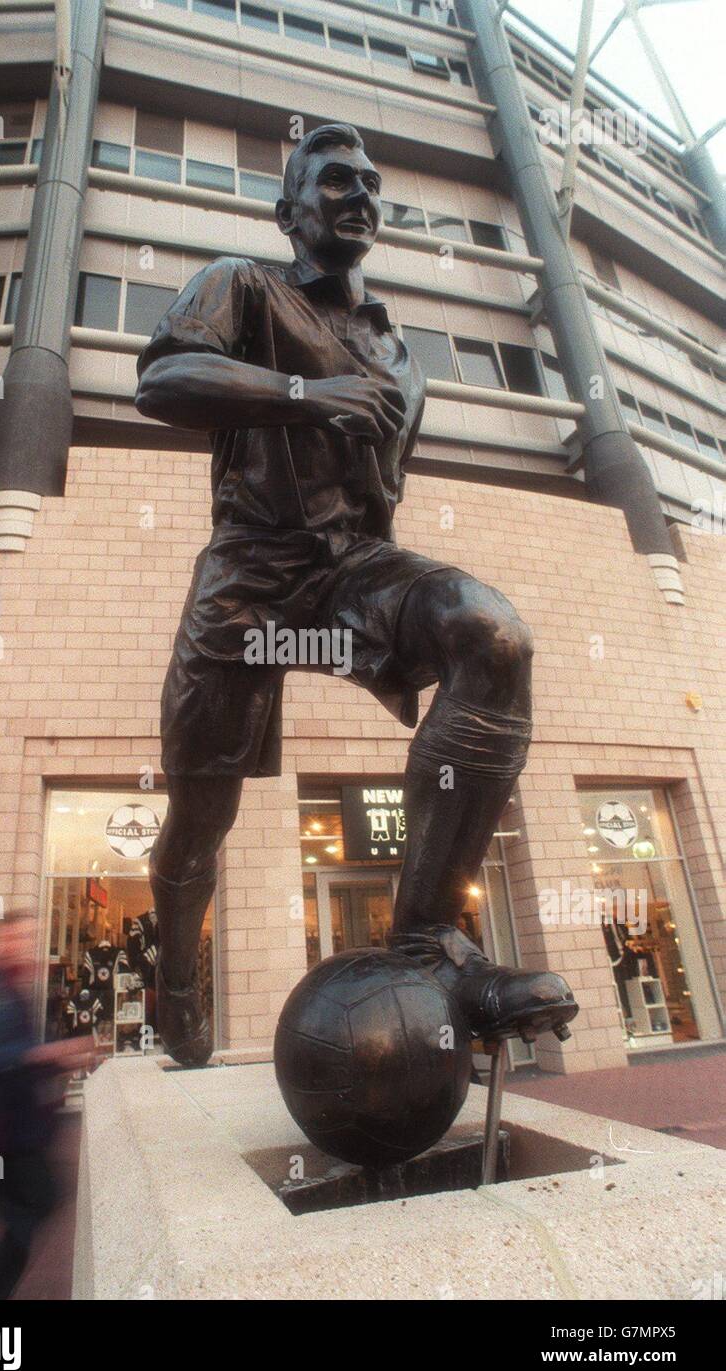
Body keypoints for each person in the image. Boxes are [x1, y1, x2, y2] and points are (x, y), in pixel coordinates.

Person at [135, 122, 577, 1066]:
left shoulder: (403, 359)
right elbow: (163, 378)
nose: (361, 193)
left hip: (350, 573)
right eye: (335, 180)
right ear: (287, 208)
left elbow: (375, 503)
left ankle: (427, 938)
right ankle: (176, 981)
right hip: (249, 578)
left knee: (490, 635)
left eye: (373, 182)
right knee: (198, 817)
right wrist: (302, 393)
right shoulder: (242, 284)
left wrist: (399, 617)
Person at [0, 909, 93, 1300]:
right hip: (2, 1141)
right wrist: (49, 1054)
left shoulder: (11, 990)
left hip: (13, 1136)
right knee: (26, 1215)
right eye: (14, 939)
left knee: (30, 1210)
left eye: (29, 939)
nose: (23, 947)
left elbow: (14, 1060)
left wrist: (53, 1061)